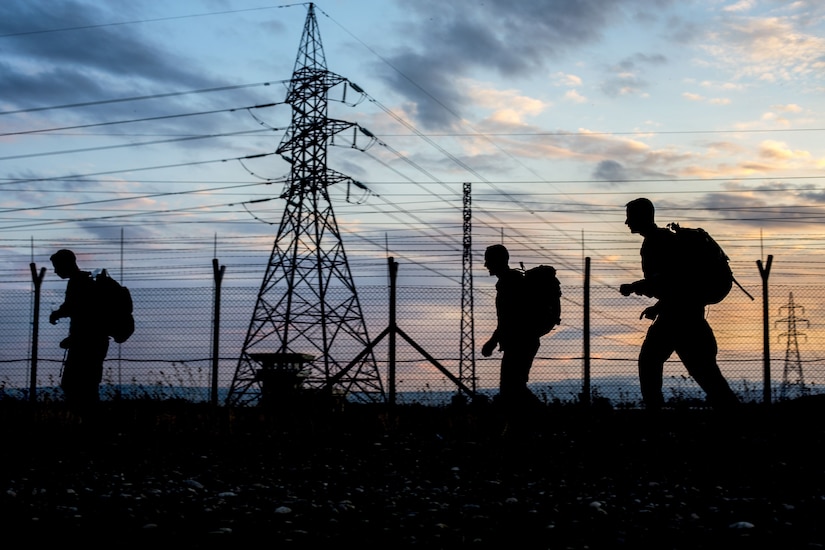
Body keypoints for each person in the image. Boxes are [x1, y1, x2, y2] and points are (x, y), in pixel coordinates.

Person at [619, 198, 739, 411]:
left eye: (630, 217)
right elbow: (677, 284)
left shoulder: (657, 243)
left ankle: (656, 415)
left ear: (642, 217)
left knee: (651, 362)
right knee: (703, 372)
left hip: (679, 318)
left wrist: (634, 286)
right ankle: (735, 413)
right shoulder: (662, 240)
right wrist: (658, 306)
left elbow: (669, 281)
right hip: (684, 314)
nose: (627, 223)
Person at [49, 249, 109, 418]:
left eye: (57, 266)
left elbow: (75, 309)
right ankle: (90, 423)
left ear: (66, 264)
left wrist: (56, 314)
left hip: (86, 346)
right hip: (92, 343)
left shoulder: (78, 282)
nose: (55, 271)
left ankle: (91, 424)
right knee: (86, 387)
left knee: (76, 386)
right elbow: (85, 315)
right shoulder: (85, 281)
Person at [481, 244, 541, 409]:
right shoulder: (510, 281)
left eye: (488, 261)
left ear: (497, 261)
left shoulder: (509, 283)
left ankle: (544, 422)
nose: (486, 265)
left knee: (512, 389)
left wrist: (492, 342)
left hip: (520, 343)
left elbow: (509, 318)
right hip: (523, 342)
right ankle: (525, 425)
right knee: (513, 389)